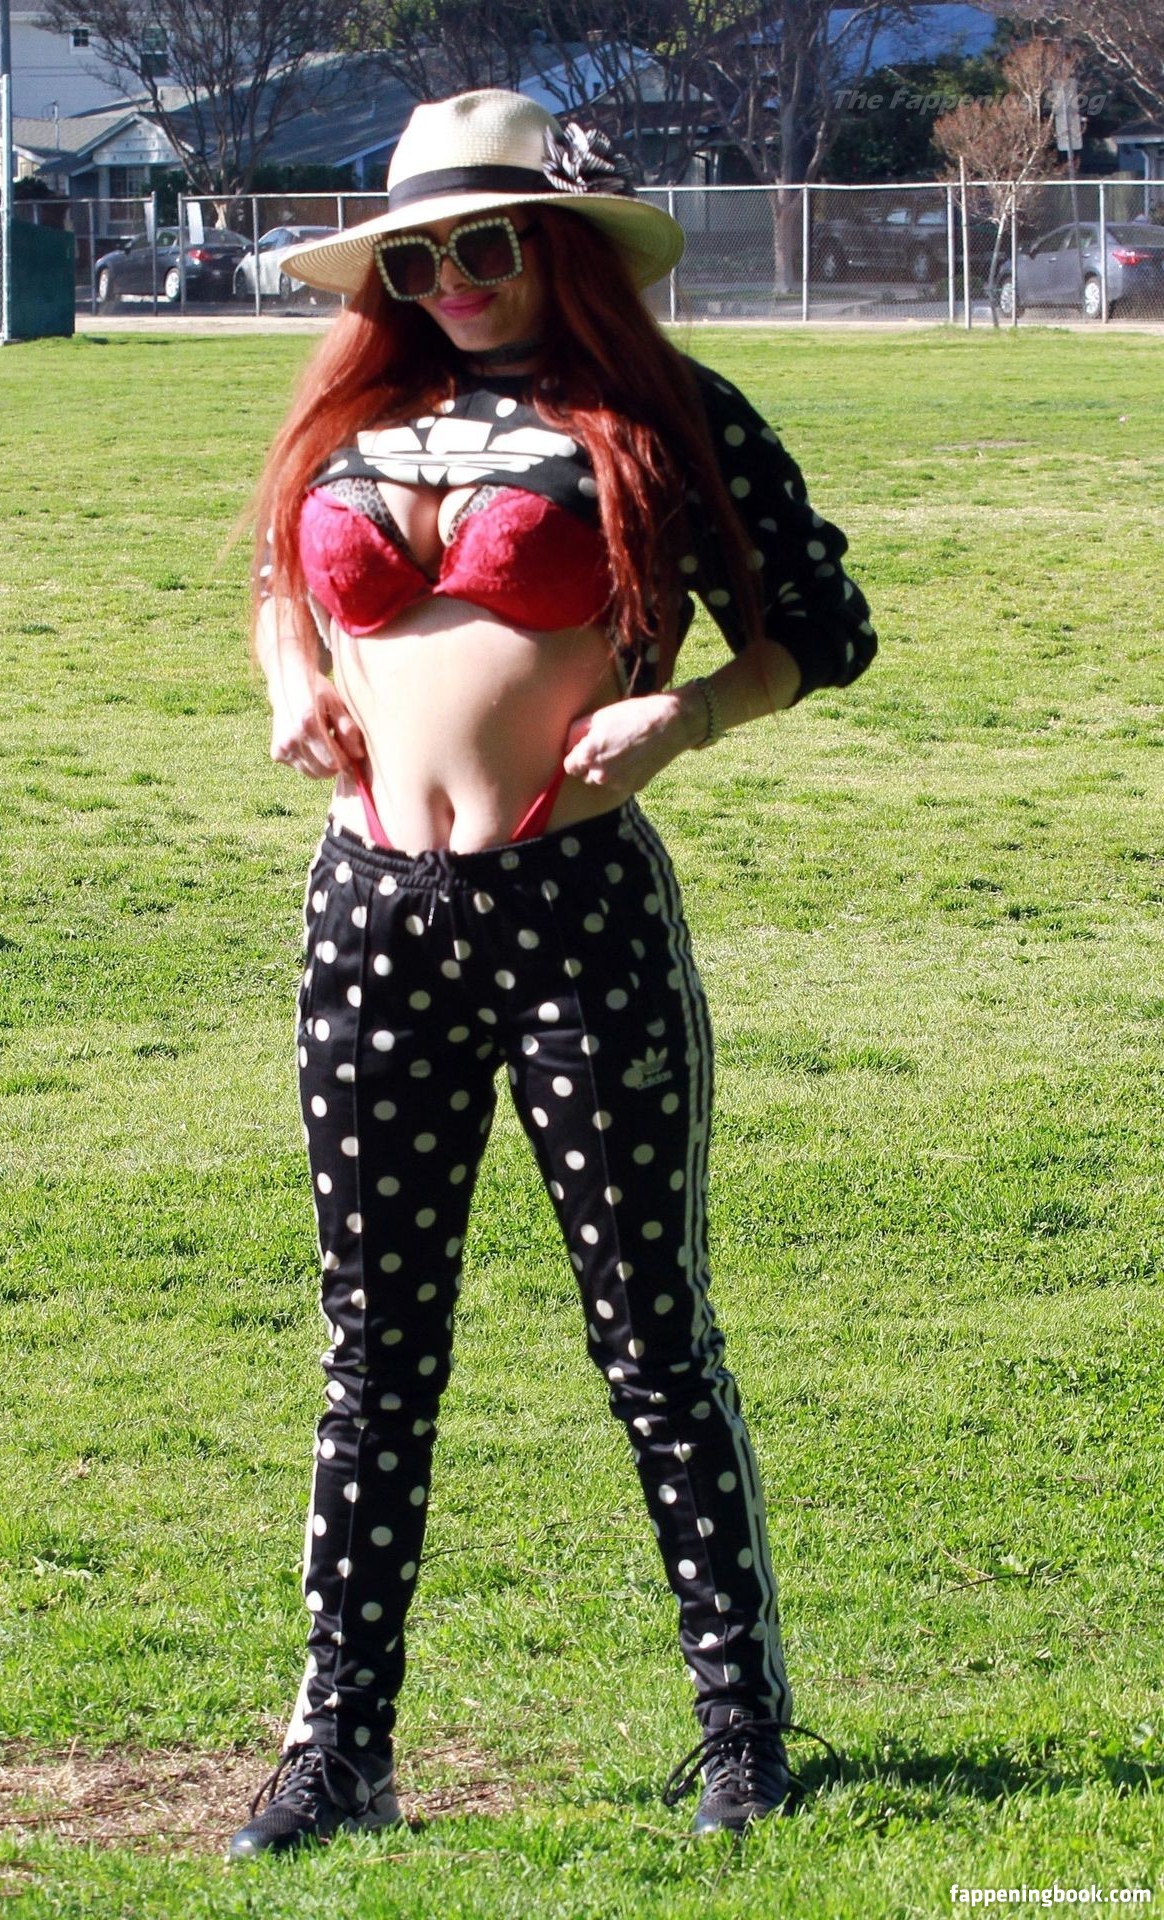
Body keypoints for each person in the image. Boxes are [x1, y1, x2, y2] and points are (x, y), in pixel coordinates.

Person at [229, 88, 875, 1860]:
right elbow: (283, 578)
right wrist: (289, 673)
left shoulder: (664, 417)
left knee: (651, 1337)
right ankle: (339, 1750)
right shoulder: (356, 416)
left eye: (485, 243)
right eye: (416, 255)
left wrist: (687, 715)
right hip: (371, 920)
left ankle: (743, 1730)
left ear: (562, 247)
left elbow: (821, 627)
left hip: (574, 916)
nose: (450, 279)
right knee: (375, 1354)